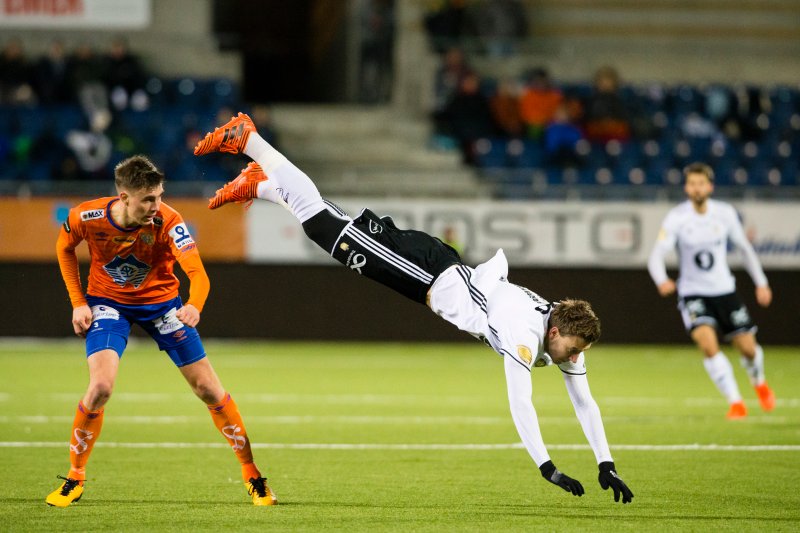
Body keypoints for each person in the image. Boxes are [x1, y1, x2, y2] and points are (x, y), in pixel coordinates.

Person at [194, 113, 635, 504]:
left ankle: (263, 186)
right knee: (324, 225)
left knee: (329, 226)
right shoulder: (524, 334)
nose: (575, 359)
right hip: (428, 272)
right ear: (555, 332)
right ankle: (250, 140)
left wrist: (606, 463)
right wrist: (547, 466)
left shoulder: (564, 325)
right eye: (573, 350)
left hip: (433, 274)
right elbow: (521, 402)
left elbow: (585, 404)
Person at [49, 155, 276, 507]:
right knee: (100, 388)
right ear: (123, 198)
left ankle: (252, 475)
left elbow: (199, 275)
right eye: (148, 199)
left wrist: (193, 307)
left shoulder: (170, 222)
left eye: (159, 196)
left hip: (163, 307)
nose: (157, 206)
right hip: (109, 304)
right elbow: (63, 248)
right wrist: (78, 303)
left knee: (209, 390)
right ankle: (75, 478)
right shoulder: (86, 217)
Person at [648, 162, 775, 419]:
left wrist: (761, 282)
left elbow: (745, 249)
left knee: (749, 349)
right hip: (693, 293)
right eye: (692, 183)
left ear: (710, 186)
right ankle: (736, 402)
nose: (696, 188)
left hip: (725, 291)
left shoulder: (725, 213)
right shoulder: (677, 217)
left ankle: (758, 382)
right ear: (686, 187)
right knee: (707, 345)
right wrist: (662, 279)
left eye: (701, 183)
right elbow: (656, 255)